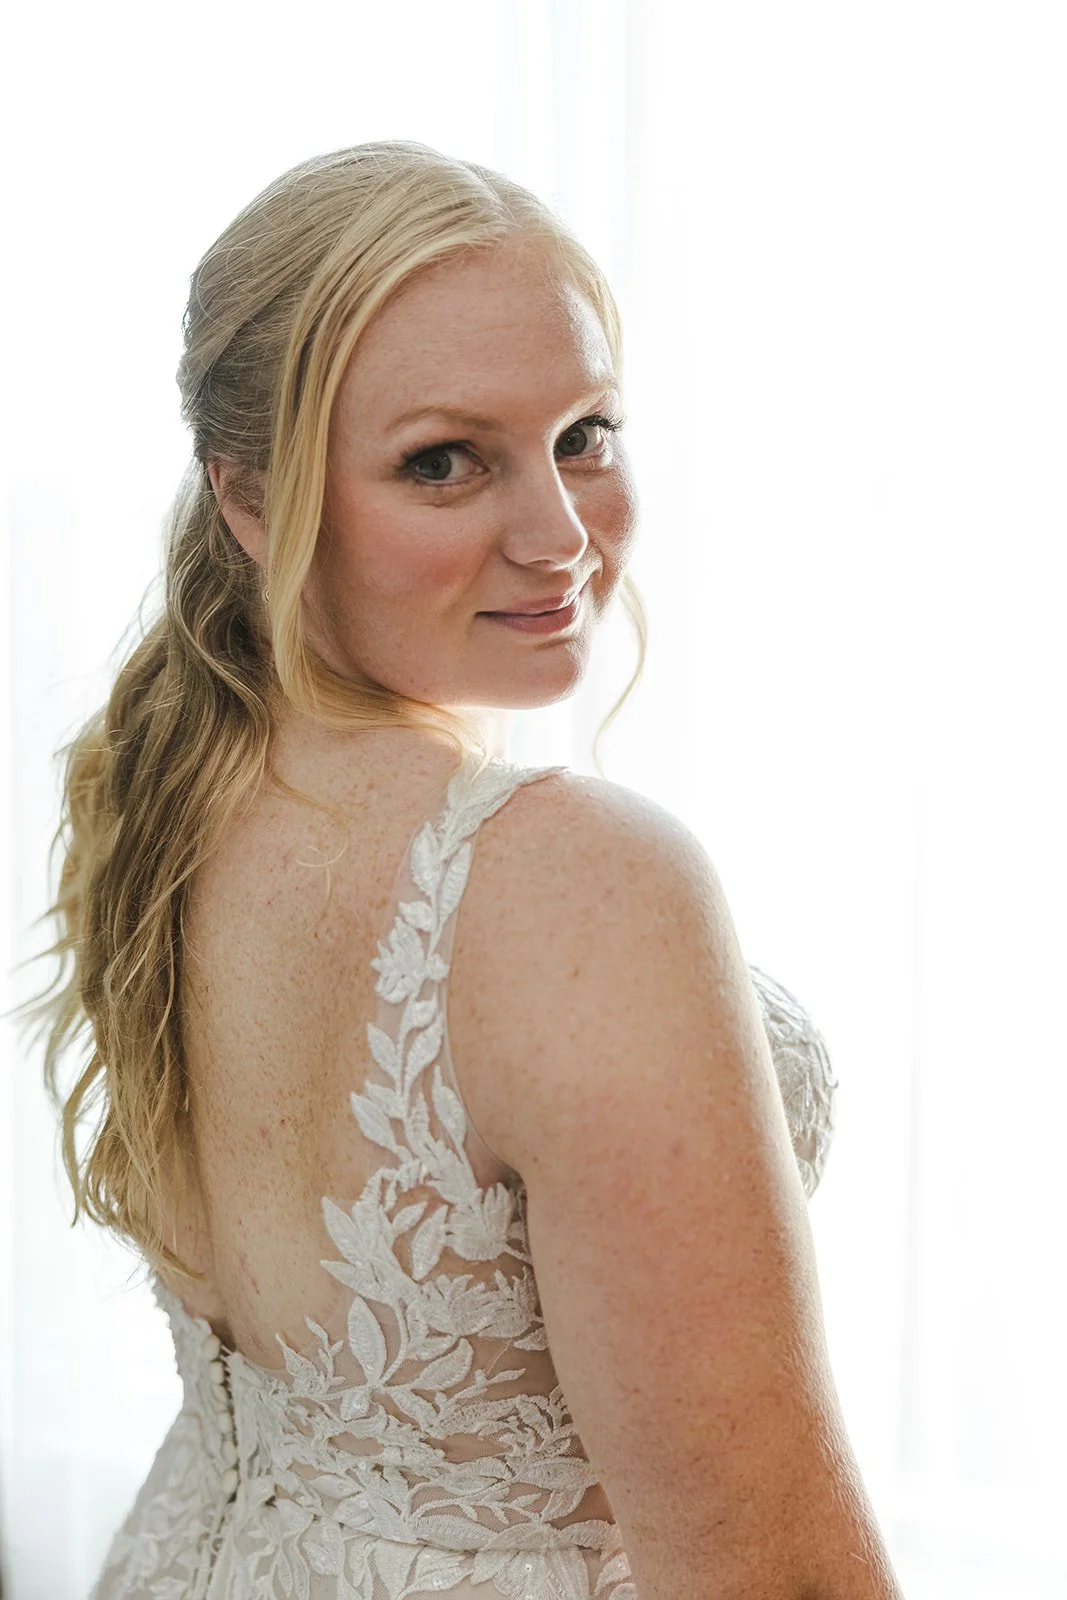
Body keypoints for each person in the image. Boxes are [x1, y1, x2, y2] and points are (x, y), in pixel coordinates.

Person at [28, 141, 903, 1599]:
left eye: (583, 434)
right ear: (247, 497)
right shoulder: (572, 882)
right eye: (445, 461)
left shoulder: (166, 792)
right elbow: (778, 1578)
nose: (561, 538)